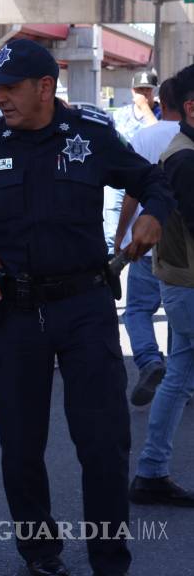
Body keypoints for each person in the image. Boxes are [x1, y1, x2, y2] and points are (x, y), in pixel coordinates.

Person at [0, 39, 173, 576]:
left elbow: (151, 179)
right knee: (21, 447)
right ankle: (40, 554)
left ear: (45, 88)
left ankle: (109, 560)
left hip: (85, 308)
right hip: (14, 311)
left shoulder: (90, 137)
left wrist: (152, 214)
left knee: (102, 445)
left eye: (10, 88)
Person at [131, 65, 194, 508]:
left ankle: (151, 470)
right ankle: (150, 471)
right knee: (178, 376)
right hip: (188, 286)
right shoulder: (185, 157)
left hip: (182, 282)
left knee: (178, 377)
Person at [114, 78, 182, 406]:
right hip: (182, 241)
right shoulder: (187, 137)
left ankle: (149, 361)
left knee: (139, 308)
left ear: (160, 101)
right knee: (175, 309)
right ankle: (179, 374)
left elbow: (131, 192)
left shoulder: (144, 136)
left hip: (145, 237)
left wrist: (120, 233)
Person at [103, 70, 161, 257]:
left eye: (148, 90)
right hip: (119, 178)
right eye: (139, 90)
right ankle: (112, 259)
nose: (144, 94)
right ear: (132, 91)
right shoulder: (120, 114)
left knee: (141, 225)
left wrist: (145, 108)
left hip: (146, 176)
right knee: (111, 225)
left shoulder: (160, 113)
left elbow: (158, 134)